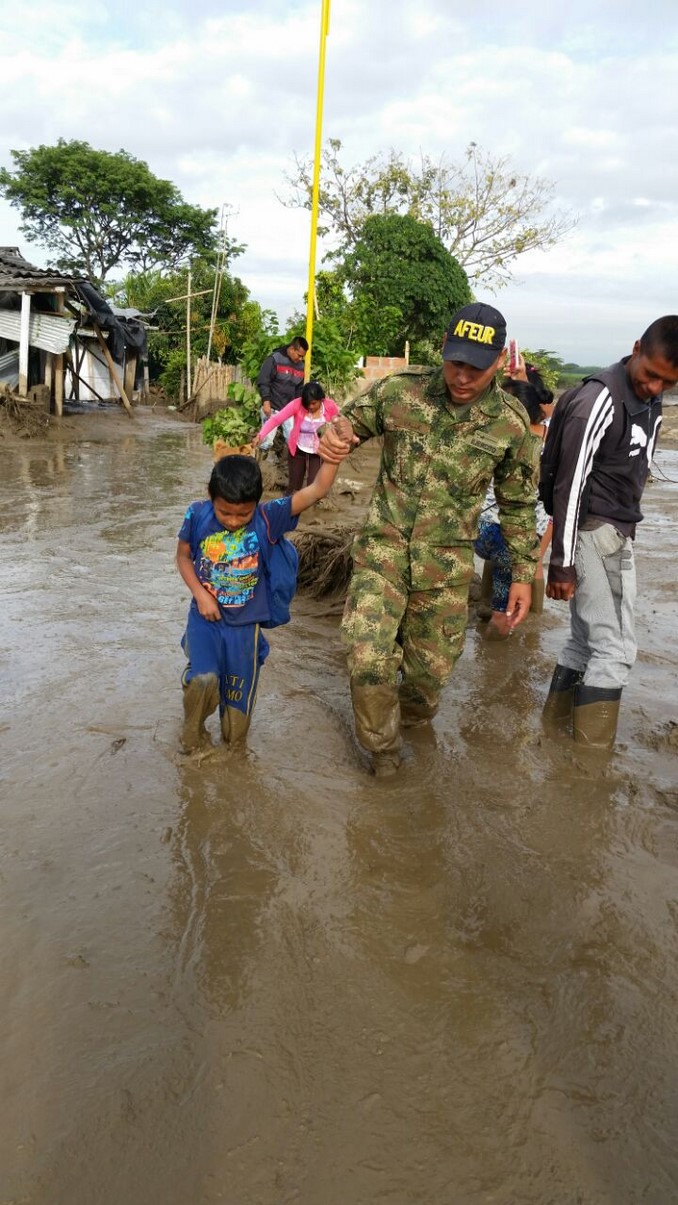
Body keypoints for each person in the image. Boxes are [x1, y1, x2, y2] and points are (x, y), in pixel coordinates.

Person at [318, 302, 541, 776]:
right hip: (382, 554)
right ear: (443, 348)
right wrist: (333, 436)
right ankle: (384, 754)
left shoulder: (511, 425)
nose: (463, 377)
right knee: (368, 655)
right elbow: (346, 424)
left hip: (444, 573)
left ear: (499, 362)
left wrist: (522, 575)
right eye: (456, 362)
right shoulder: (401, 392)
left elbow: (519, 506)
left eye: (476, 368)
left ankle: (410, 722)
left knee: (427, 681)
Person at [542, 315, 678, 750]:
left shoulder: (647, 402)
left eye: (668, 383)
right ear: (636, 348)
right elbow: (568, 483)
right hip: (596, 532)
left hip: (614, 529)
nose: (655, 388)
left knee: (585, 643)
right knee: (616, 653)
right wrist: (561, 564)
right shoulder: (599, 399)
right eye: (651, 375)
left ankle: (555, 737)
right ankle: (591, 766)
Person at [176, 452, 338, 751]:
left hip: (245, 630)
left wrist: (333, 456)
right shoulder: (196, 515)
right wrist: (201, 595)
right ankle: (192, 732)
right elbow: (183, 556)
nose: (234, 521)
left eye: (243, 514)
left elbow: (316, 490)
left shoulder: (268, 517)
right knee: (203, 680)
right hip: (205, 621)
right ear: (211, 496)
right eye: (225, 513)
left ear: (257, 503)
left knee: (235, 731)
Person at [475, 355, 555, 637]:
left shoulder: (492, 432)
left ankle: (493, 626)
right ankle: (501, 656)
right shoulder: (549, 437)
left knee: (499, 590)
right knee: (509, 608)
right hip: (518, 535)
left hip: (489, 529)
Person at [256, 380, 340, 492]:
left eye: (314, 403)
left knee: (313, 486)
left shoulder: (330, 406)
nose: (310, 406)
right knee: (294, 486)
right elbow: (276, 419)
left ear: (321, 399)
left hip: (319, 452)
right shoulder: (297, 404)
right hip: (298, 450)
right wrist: (260, 435)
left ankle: (310, 507)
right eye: (307, 403)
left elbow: (340, 422)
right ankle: (289, 507)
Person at [256, 336, 308, 453]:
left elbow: (299, 389)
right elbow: (264, 381)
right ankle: (260, 463)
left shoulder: (300, 366)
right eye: (299, 355)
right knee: (266, 442)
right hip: (272, 407)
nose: (300, 358)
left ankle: (290, 466)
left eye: (302, 356)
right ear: (292, 349)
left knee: (292, 440)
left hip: (288, 409)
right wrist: (266, 402)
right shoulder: (274, 359)